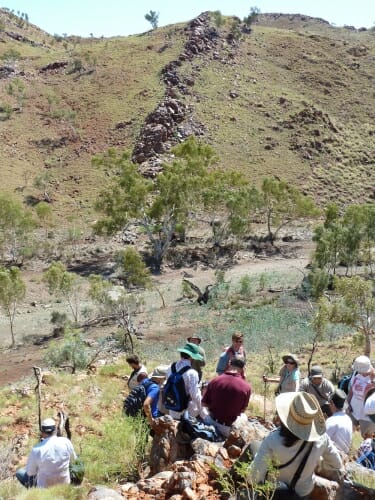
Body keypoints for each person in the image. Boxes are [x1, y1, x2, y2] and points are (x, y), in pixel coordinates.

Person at [248, 392, 344, 498]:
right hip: (302, 494)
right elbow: (336, 464)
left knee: (254, 445)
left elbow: (254, 477)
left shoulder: (273, 440)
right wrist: (316, 462)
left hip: (276, 493)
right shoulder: (322, 438)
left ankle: (228, 485)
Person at [16, 418, 77, 488]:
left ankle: (33, 493)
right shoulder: (66, 442)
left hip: (44, 488)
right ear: (55, 430)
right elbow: (74, 461)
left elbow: (30, 473)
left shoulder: (36, 449)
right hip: (64, 485)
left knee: (19, 472)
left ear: (42, 432)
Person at [202, 358, 251, 438]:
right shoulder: (246, 387)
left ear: (229, 365)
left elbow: (203, 403)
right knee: (244, 417)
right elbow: (242, 410)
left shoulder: (215, 380)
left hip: (210, 422)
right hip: (226, 428)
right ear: (243, 369)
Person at [165, 342, 207, 421]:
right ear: (192, 357)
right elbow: (195, 395)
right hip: (186, 411)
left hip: (172, 407)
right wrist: (202, 412)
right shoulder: (192, 373)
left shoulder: (171, 367)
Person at [347, 355, 375, 437]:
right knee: (349, 432)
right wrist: (348, 403)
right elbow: (351, 391)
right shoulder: (357, 376)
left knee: (367, 437)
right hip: (354, 410)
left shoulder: (373, 378)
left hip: (367, 415)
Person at [325, 388, 353, 455]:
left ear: (332, 403)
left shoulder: (331, 421)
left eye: (329, 403)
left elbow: (321, 443)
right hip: (345, 454)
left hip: (334, 457)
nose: (328, 405)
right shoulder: (348, 419)